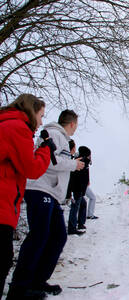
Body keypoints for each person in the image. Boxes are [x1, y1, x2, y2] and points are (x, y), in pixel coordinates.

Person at [7, 110, 85, 299]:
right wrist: (73, 165)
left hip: (52, 194)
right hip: (40, 189)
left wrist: (72, 163)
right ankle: (19, 287)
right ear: (72, 124)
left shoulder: (63, 139)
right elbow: (48, 160)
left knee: (58, 236)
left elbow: (58, 161)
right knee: (39, 236)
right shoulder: (53, 134)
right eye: (77, 125)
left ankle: (37, 280)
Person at [0, 94, 51, 299]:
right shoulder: (18, 128)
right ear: (31, 111)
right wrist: (45, 151)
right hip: (2, 204)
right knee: (3, 260)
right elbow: (31, 168)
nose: (40, 122)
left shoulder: (6, 124)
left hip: (6, 203)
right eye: (41, 115)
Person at [67, 146, 92, 235]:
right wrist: (70, 191)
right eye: (89, 154)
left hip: (80, 189)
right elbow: (74, 177)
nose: (90, 156)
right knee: (75, 207)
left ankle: (80, 224)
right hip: (78, 189)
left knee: (82, 204)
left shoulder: (84, 162)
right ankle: (72, 228)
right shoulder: (80, 162)